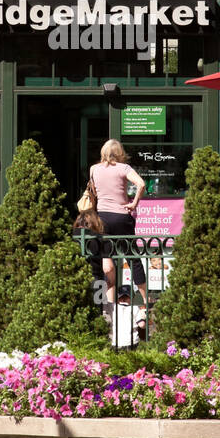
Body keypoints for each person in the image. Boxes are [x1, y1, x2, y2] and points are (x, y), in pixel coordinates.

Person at [89, 139, 148, 328]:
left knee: (107, 264)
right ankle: (145, 304)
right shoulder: (124, 168)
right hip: (122, 218)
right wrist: (134, 203)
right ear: (120, 152)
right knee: (133, 259)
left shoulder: (94, 169)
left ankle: (108, 308)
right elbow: (141, 184)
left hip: (102, 219)